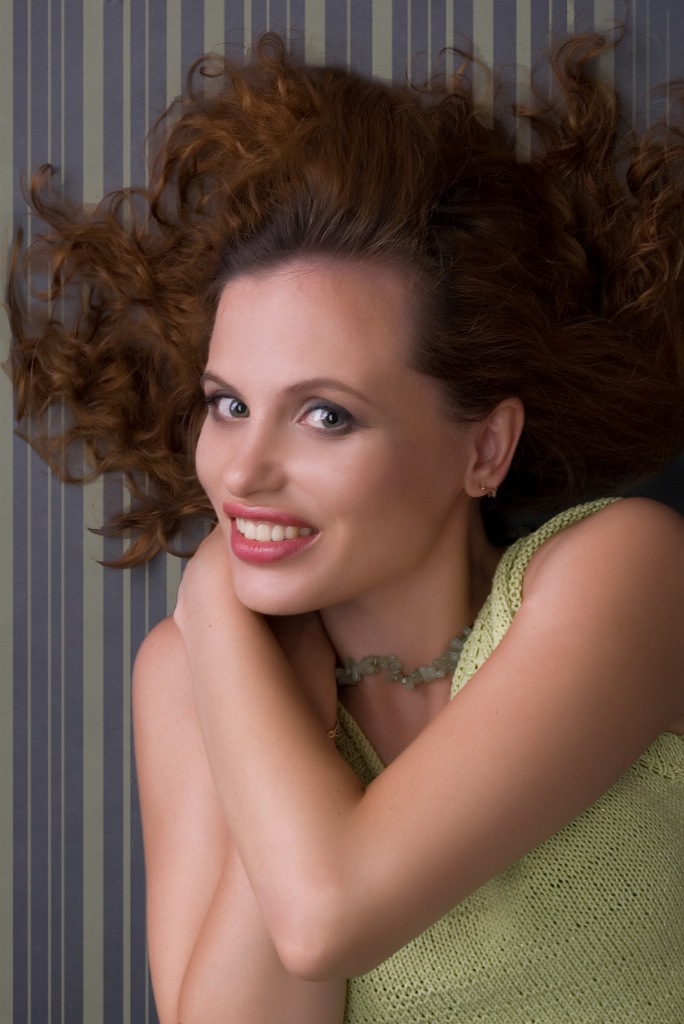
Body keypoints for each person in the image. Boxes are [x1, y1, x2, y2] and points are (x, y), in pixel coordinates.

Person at [8, 30, 684, 1024]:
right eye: (229, 404)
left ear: (485, 448)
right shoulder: (190, 678)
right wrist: (274, 697)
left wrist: (212, 592)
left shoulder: (623, 571)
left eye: (326, 415)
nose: (242, 471)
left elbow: (327, 914)